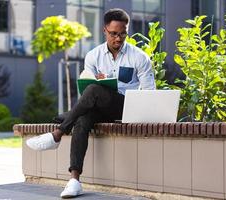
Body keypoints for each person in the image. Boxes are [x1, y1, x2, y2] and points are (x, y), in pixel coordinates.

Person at [26, 8, 156, 198]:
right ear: (105, 30)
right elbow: (85, 90)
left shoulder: (139, 57)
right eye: (113, 34)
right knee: (83, 118)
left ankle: (58, 133)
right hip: (98, 106)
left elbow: (149, 93)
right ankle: (74, 180)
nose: (118, 39)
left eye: (122, 34)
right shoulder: (93, 56)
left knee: (94, 91)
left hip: (126, 107)